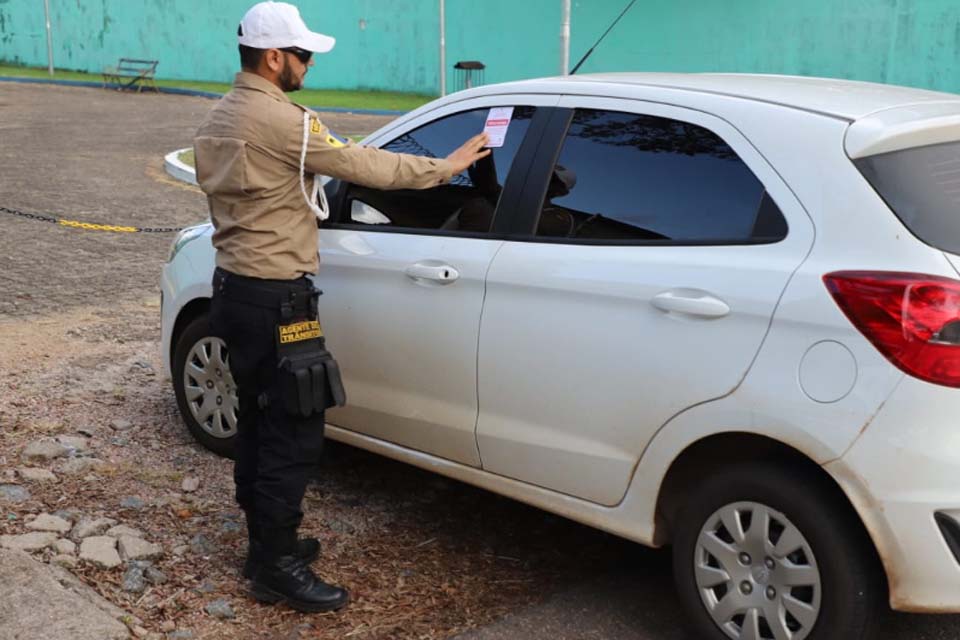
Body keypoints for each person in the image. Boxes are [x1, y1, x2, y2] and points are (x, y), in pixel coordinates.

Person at [193, 1, 490, 614]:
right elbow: (366, 165)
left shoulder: (218, 116)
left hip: (233, 290)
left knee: (257, 417)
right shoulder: (285, 122)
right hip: (278, 298)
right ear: (273, 58)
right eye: (302, 55)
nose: (308, 65)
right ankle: (275, 567)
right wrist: (450, 166)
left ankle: (265, 544)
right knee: (294, 430)